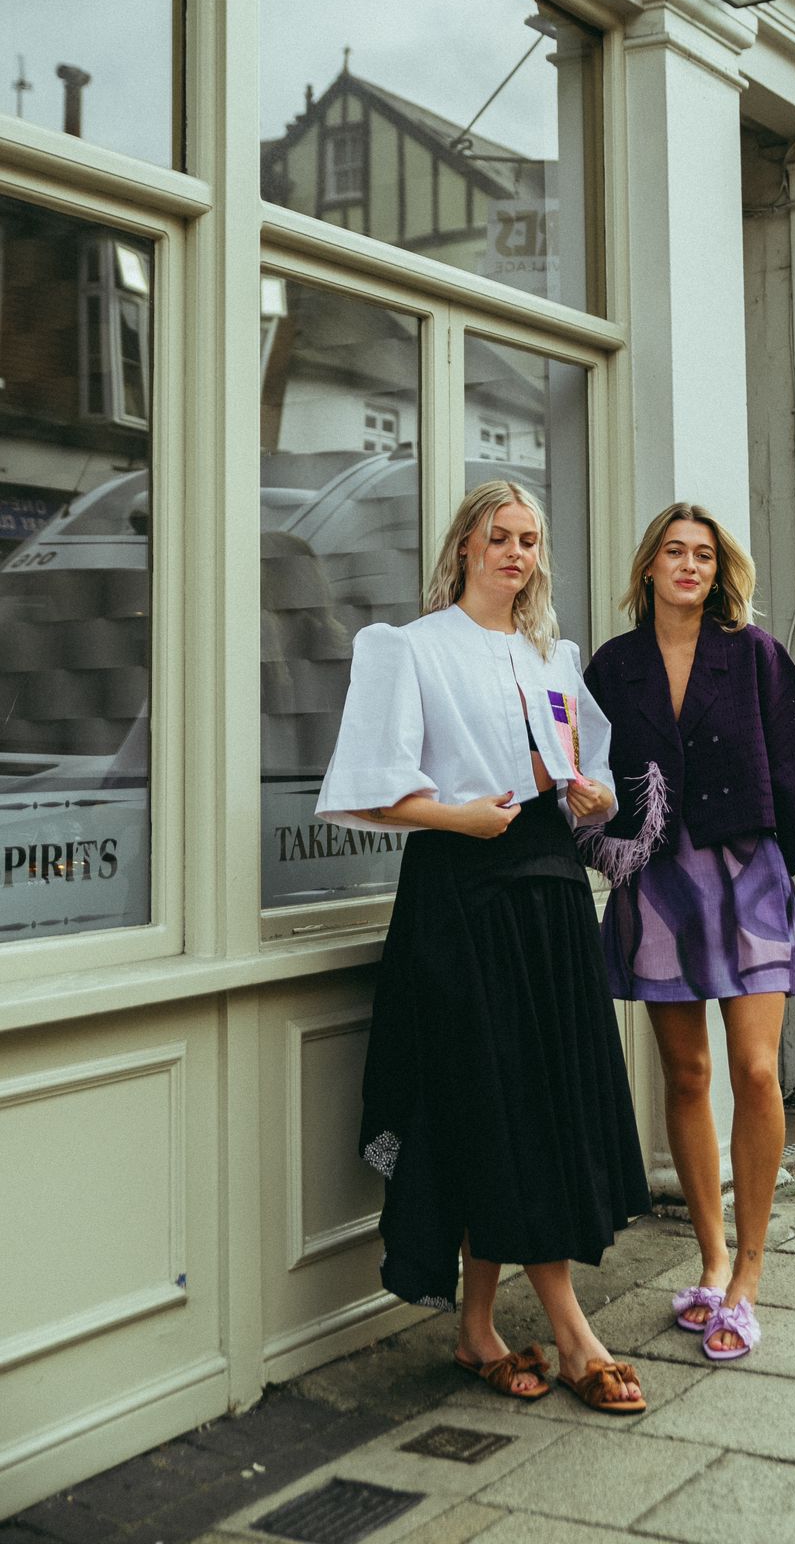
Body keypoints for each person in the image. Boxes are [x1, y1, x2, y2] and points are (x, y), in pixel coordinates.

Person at [316, 480, 650, 1415]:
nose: (516, 553)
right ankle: (576, 1334)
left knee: (511, 1104)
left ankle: (476, 1331)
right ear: (464, 545)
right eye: (498, 536)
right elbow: (367, 791)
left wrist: (592, 797)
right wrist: (456, 817)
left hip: (547, 896)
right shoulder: (409, 650)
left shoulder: (553, 656)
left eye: (530, 539)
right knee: (499, 1101)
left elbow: (587, 780)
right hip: (462, 897)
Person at [582, 501, 795, 1362]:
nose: (688, 567)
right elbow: (586, 773)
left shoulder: (750, 655)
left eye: (703, 556)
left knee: (755, 1071)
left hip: (751, 877)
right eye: (673, 553)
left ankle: (750, 1274)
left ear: (719, 572)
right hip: (656, 883)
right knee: (686, 1074)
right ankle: (710, 1260)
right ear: (648, 569)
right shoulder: (614, 667)